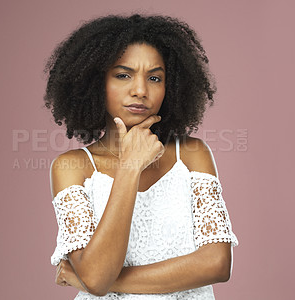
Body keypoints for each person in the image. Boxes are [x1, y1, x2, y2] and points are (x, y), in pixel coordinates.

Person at [44, 13, 239, 299]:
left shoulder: (191, 155)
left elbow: (217, 264)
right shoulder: (73, 167)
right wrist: (130, 165)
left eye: (154, 78)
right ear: (95, 82)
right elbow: (96, 277)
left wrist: (89, 279)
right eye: (123, 75)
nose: (140, 90)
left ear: (169, 88)